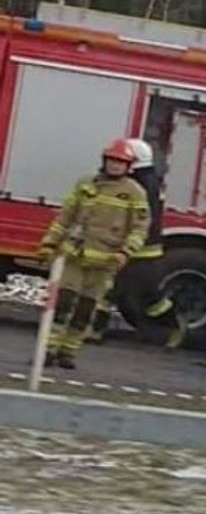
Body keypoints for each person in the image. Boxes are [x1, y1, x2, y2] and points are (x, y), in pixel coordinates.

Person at [38, 137, 150, 369]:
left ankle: (68, 352)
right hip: (74, 256)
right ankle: (47, 351)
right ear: (104, 161)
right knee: (62, 303)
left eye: (120, 162)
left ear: (128, 167)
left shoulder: (134, 193)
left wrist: (125, 253)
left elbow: (139, 229)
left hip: (104, 261)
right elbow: (65, 216)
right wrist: (50, 243)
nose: (115, 166)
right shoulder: (86, 184)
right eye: (111, 161)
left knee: (85, 309)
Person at [87, 137, 184, 349]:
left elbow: (136, 218)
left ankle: (173, 327)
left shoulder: (141, 185)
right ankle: (95, 329)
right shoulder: (147, 180)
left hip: (141, 249)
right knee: (116, 288)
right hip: (138, 247)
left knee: (142, 294)